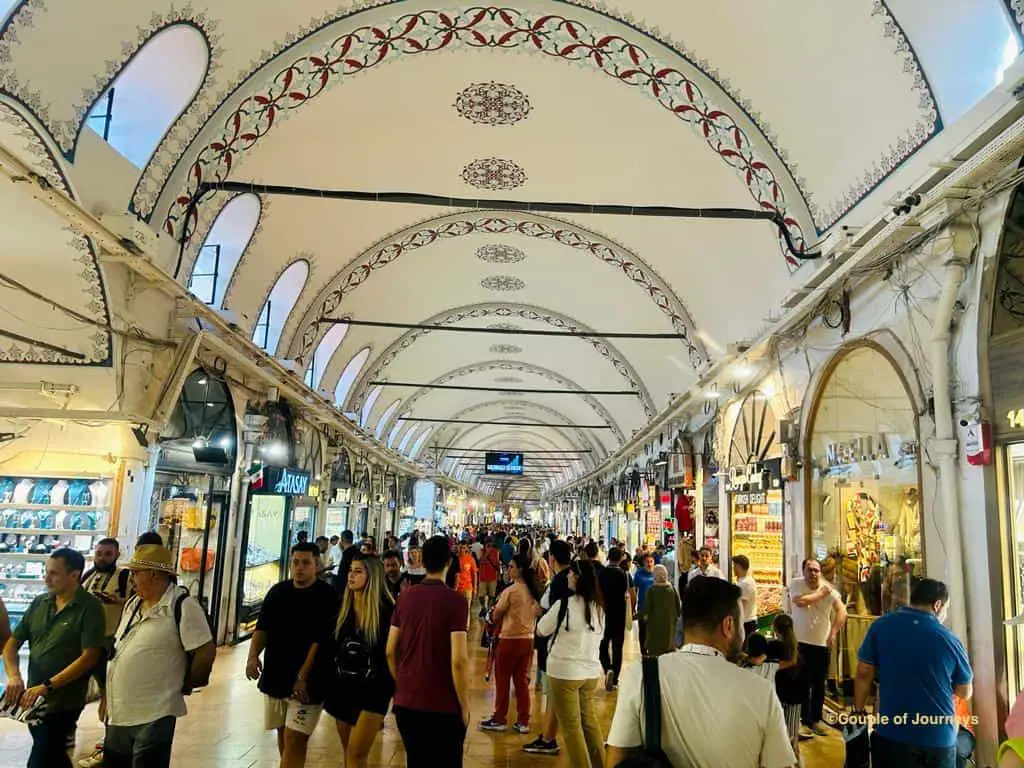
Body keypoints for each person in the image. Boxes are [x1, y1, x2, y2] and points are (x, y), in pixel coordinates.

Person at [607, 576, 796, 768]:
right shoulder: (761, 691)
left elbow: (616, 757)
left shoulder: (641, 675)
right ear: (728, 625)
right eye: (741, 625)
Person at [103, 544, 215, 768]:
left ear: (154, 574)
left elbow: (205, 651)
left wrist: (188, 682)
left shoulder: (183, 605)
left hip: (156, 710)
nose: (132, 579)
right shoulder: (134, 604)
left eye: (136, 572)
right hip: (120, 711)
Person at [2, 548, 106, 768]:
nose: (46, 578)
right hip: (32, 701)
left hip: (63, 702)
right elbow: (12, 644)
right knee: (54, 756)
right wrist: (13, 676)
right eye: (46, 571)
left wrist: (48, 686)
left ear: (75, 575)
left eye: (54, 573)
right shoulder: (40, 603)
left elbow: (89, 656)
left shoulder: (89, 608)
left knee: (42, 755)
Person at [855, 578, 972, 768]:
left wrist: (859, 711)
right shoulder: (949, 639)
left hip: (892, 733)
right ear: (937, 605)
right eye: (946, 608)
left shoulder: (881, 626)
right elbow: (964, 691)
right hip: (938, 738)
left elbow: (863, 672)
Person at [246, 542, 338, 768]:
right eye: (295, 562)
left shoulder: (326, 596)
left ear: (317, 564)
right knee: (284, 737)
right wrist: (252, 656)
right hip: (277, 678)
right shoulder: (278, 592)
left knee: (295, 739)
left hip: (309, 684)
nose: (299, 567)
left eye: (306, 563)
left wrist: (303, 677)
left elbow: (321, 641)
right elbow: (262, 629)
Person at [387, 536, 470, 768]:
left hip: (407, 702)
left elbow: (390, 651)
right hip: (442, 703)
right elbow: (459, 661)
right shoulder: (456, 602)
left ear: (423, 561)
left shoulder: (405, 597)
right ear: (449, 562)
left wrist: (402, 680)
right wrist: (464, 704)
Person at [327, 555, 395, 768]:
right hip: (342, 686)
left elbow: (393, 652)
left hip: (374, 690)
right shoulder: (341, 608)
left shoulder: (387, 611)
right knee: (350, 754)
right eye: (350, 571)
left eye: (358, 571)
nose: (351, 576)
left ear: (372, 576)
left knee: (356, 753)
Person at [536, 559, 606, 768]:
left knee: (572, 728)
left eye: (571, 573)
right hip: (590, 672)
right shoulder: (599, 608)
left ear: (577, 577)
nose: (567, 576)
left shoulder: (564, 605)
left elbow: (541, 629)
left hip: (564, 672)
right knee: (590, 723)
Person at [480, 553, 541, 734]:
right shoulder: (534, 591)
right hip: (528, 640)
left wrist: (488, 616)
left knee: (503, 680)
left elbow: (496, 614)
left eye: (512, 567)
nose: (508, 570)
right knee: (521, 681)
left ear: (520, 570)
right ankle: (523, 720)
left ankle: (500, 717)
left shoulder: (511, 591)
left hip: (509, 640)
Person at [786, 558, 846, 737]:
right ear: (803, 571)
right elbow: (801, 602)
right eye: (810, 570)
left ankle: (815, 720)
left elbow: (842, 611)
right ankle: (802, 720)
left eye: (816, 570)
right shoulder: (796, 584)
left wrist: (833, 632)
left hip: (821, 645)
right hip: (800, 643)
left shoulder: (829, 589)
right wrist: (822, 593)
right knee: (801, 682)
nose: (813, 574)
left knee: (819, 684)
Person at [524, 539, 573, 756]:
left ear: (551, 558)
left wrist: (539, 613)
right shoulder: (571, 580)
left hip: (555, 645)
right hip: (572, 648)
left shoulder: (560, 583)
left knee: (553, 694)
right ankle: (548, 736)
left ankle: (549, 738)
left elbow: (545, 613)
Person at [768, 613, 808, 764]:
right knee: (792, 740)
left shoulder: (771, 647)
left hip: (776, 698)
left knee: (776, 738)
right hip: (794, 700)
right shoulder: (799, 650)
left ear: (775, 629)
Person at [598, 547, 629, 691]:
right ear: (620, 558)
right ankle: (615, 679)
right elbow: (625, 593)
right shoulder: (623, 574)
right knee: (617, 647)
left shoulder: (602, 573)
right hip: (619, 613)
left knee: (603, 644)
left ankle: (607, 668)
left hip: (604, 613)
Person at [639, 564, 680, 657]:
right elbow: (678, 609)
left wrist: (632, 617)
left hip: (654, 628)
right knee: (668, 655)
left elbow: (645, 609)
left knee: (655, 656)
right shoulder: (671, 589)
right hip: (669, 628)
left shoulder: (651, 590)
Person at [732, 554, 758, 641]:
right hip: (744, 622)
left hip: (746, 623)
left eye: (734, 566)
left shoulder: (746, 583)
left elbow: (738, 604)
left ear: (739, 566)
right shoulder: (742, 581)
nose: (733, 568)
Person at [632, 554, 655, 651]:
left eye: (651, 562)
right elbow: (634, 589)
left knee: (653, 629)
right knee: (643, 629)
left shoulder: (657, 572)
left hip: (655, 606)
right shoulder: (639, 573)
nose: (649, 564)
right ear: (644, 563)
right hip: (642, 605)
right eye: (647, 562)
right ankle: (643, 651)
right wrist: (633, 606)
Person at [455, 543, 478, 628]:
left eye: (463, 548)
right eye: (460, 547)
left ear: (467, 549)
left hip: (468, 587)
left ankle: (466, 627)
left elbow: (474, 574)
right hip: (457, 588)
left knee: (467, 608)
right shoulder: (455, 559)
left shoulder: (470, 559)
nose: (461, 549)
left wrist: (475, 588)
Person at [477, 539, 501, 616]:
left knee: (492, 595)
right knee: (481, 596)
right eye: (488, 545)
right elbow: (480, 560)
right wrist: (486, 554)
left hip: (492, 577)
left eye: (490, 545)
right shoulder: (481, 551)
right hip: (482, 577)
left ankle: (488, 610)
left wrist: (499, 575)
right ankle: (483, 607)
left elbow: (497, 564)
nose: (489, 546)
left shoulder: (495, 552)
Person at [333, 530, 357, 596]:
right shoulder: (357, 552)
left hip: (345, 589)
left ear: (342, 540)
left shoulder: (346, 554)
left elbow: (342, 574)